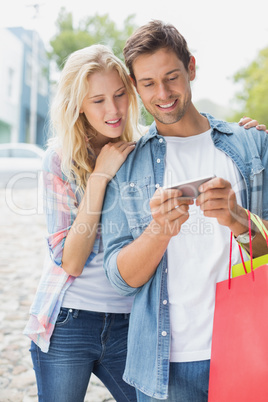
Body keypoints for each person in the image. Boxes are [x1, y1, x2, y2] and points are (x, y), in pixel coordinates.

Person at [101, 20, 268, 402]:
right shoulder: (126, 165)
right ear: (135, 86)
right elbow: (120, 277)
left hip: (249, 348)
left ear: (191, 68)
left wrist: (238, 220)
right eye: (148, 83)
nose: (163, 93)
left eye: (172, 77)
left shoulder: (250, 145)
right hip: (165, 367)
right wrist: (158, 231)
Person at [23, 44, 140, 402]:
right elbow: (70, 260)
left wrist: (243, 137)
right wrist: (100, 178)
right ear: (77, 106)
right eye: (98, 100)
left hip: (131, 323)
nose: (114, 109)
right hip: (68, 321)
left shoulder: (144, 148)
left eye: (120, 95)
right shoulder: (58, 161)